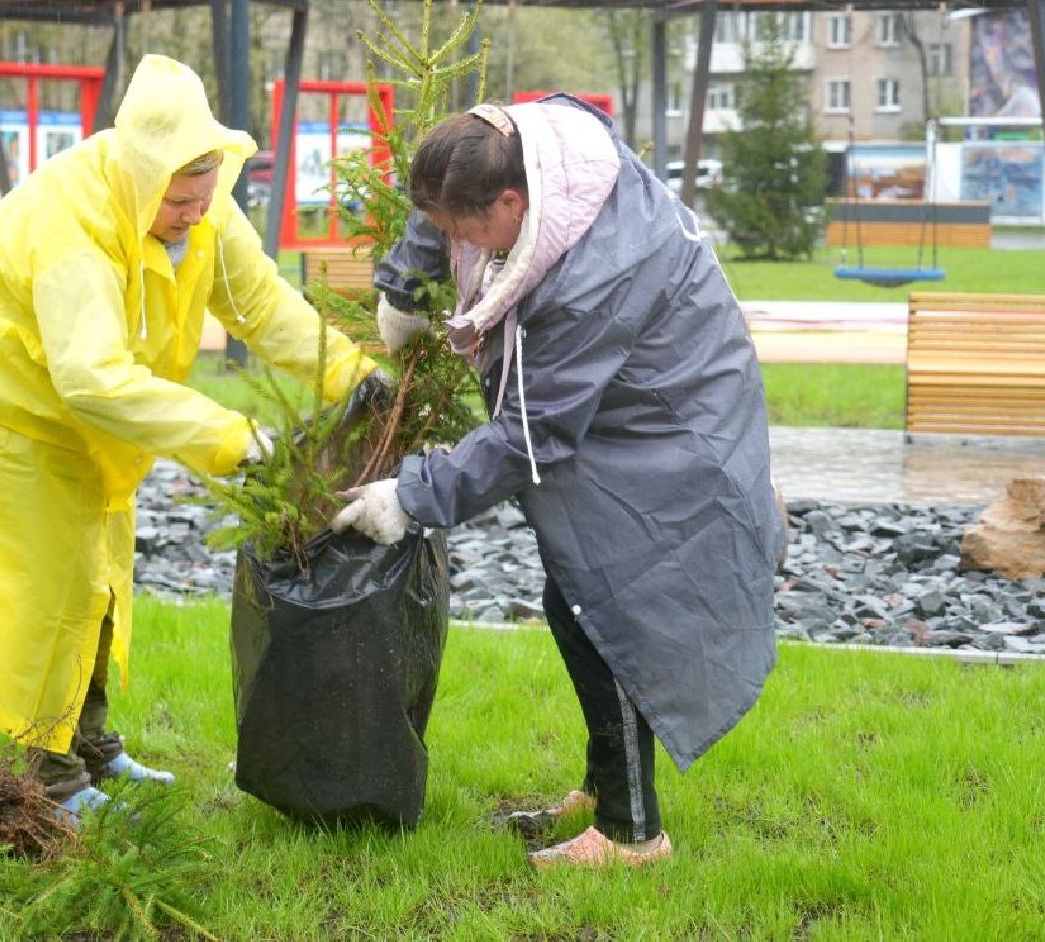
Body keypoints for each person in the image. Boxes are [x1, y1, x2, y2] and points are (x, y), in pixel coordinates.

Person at [0, 54, 374, 824]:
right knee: (41, 587)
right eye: (180, 200)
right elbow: (91, 378)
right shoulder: (73, 225)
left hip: (75, 406)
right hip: (0, 401)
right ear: (140, 175)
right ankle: (47, 782)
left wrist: (354, 377)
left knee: (95, 572)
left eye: (204, 195)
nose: (194, 212)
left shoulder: (197, 204)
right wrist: (233, 439)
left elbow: (261, 306)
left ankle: (89, 745)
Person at [334, 96, 784, 868]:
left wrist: (409, 497)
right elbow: (445, 188)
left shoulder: (593, 279)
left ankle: (632, 835)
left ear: (511, 203)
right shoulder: (527, 143)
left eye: (465, 233)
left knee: (610, 608)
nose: (456, 244)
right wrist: (402, 280)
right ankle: (606, 786)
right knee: (569, 592)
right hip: (625, 405)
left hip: (672, 428)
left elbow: (532, 434)